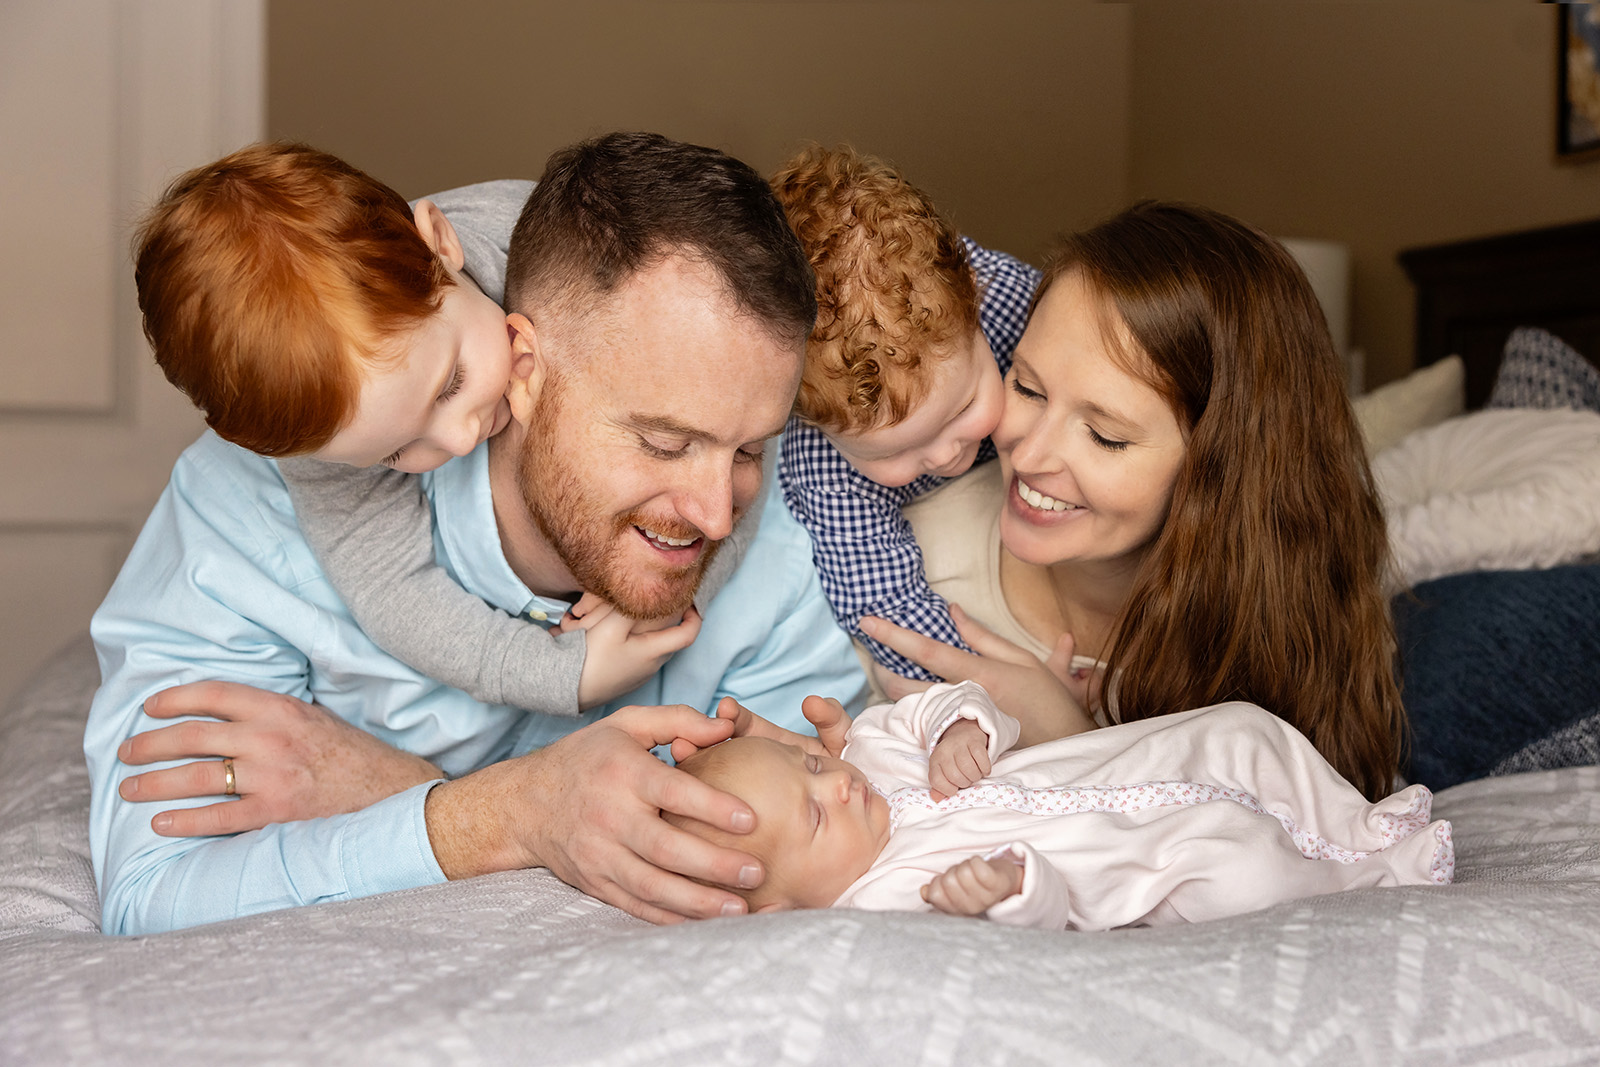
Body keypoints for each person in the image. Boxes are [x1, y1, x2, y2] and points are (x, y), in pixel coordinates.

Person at [85, 132, 868, 936]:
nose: (716, 513)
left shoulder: (782, 560)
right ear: (526, 365)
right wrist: (506, 813)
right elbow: (154, 896)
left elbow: (808, 865)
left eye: (749, 448)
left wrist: (419, 795)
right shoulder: (255, 509)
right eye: (664, 443)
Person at [131, 141, 729, 727]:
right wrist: (559, 674)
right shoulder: (324, 449)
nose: (461, 439)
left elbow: (732, 402)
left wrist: (670, 584)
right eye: (395, 453)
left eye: (450, 385)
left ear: (441, 243)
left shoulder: (566, 248)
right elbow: (395, 594)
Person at [859, 202, 1405, 800]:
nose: (1030, 454)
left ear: (1220, 470)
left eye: (1105, 435)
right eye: (1027, 386)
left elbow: (1323, 844)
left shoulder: (1273, 642)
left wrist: (1065, 737)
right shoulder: (900, 570)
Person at [666, 682, 1452, 927]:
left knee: (1242, 726)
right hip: (1146, 862)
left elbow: (941, 704)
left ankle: (1360, 822)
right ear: (779, 909)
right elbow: (1031, 930)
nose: (834, 783)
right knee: (1244, 871)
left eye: (806, 763)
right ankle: (1377, 878)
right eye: (814, 814)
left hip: (1126, 763)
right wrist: (1011, 890)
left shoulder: (867, 753)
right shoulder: (880, 902)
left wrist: (959, 729)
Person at [770, 146, 1051, 683]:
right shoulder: (824, 467)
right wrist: (989, 681)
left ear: (976, 296)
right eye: (895, 450)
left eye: (965, 407)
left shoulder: (1016, 304)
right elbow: (886, 606)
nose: (946, 454)